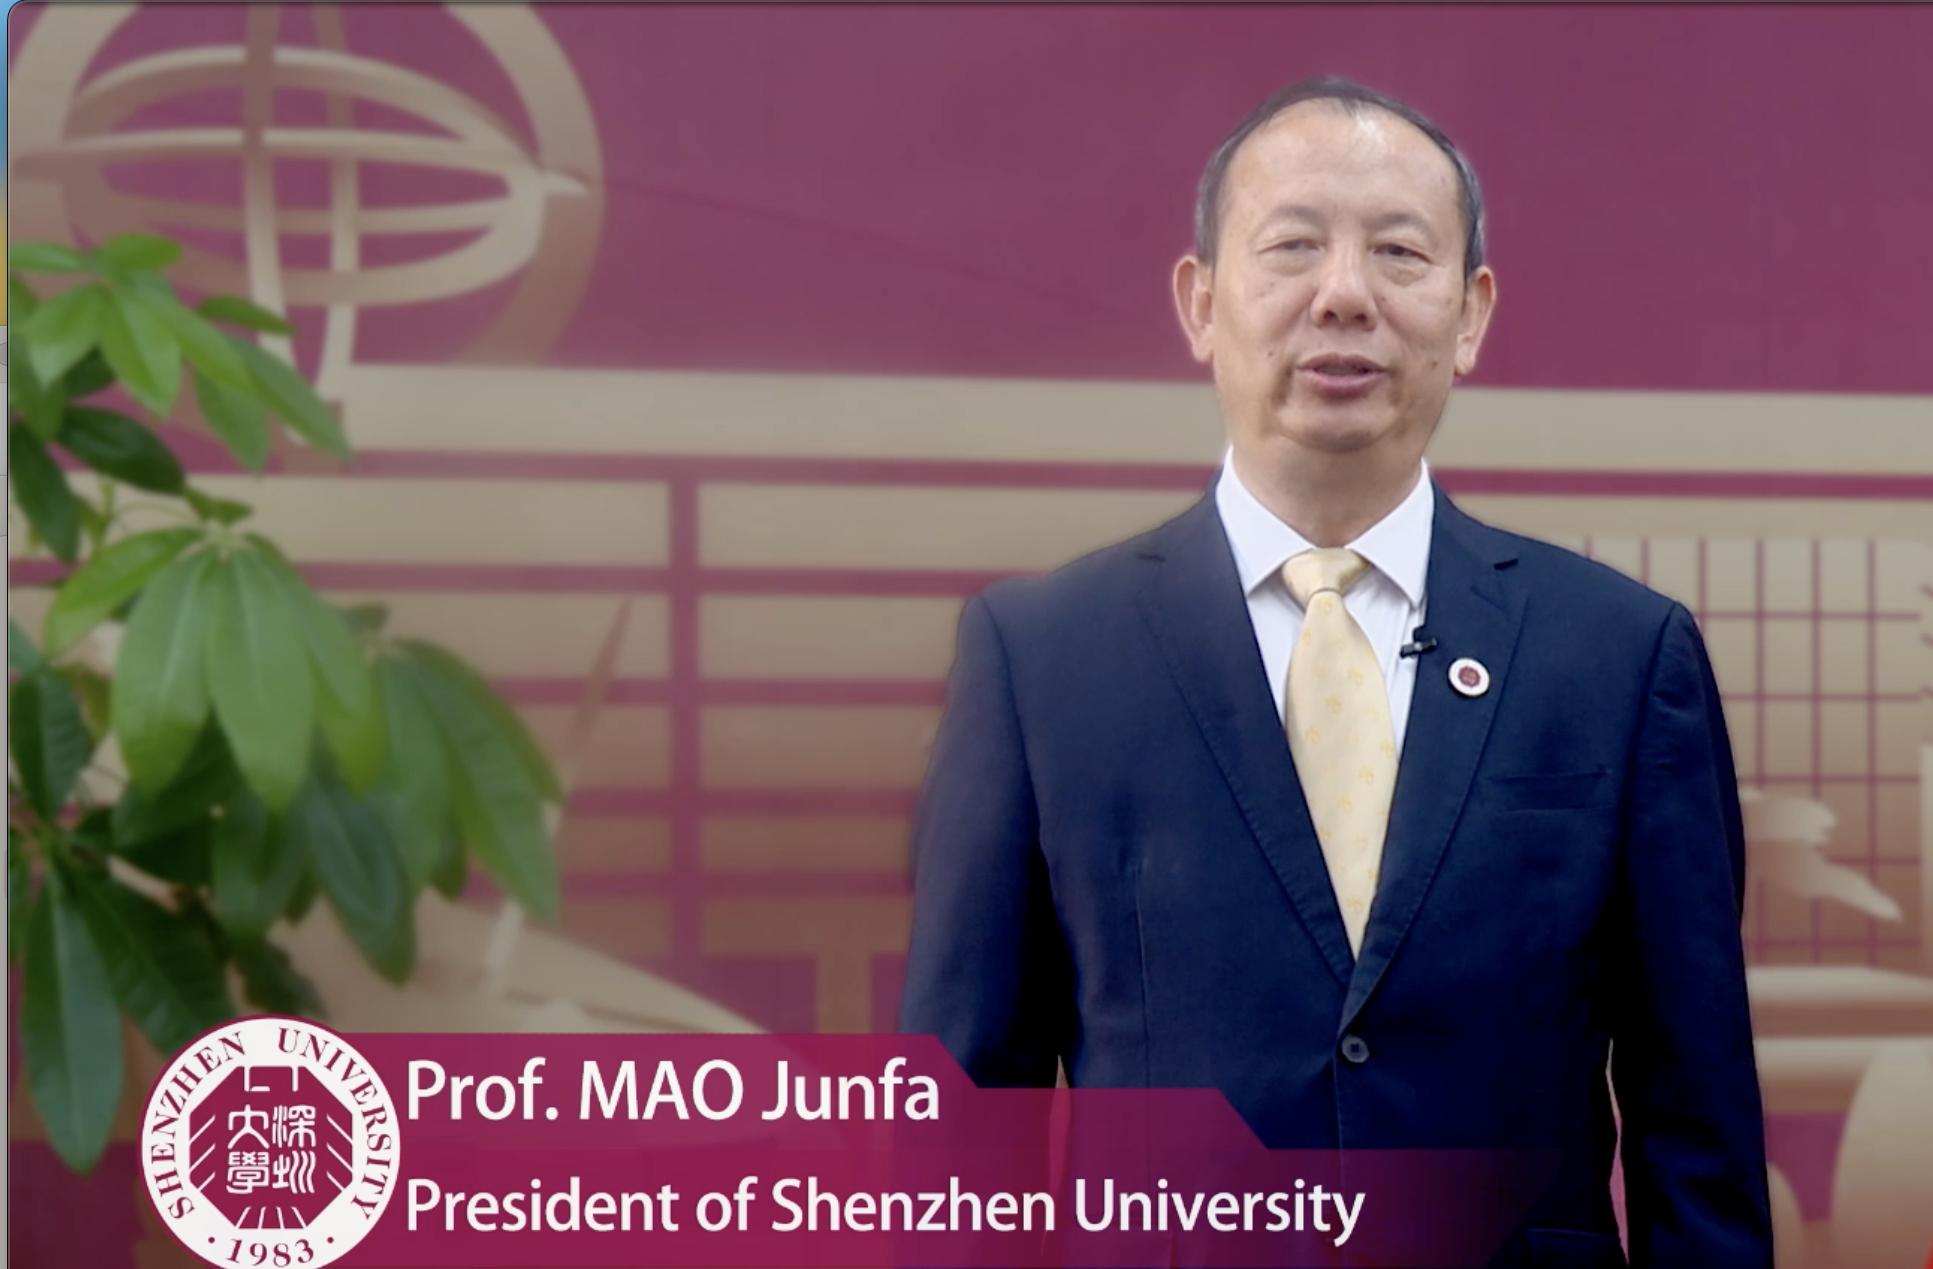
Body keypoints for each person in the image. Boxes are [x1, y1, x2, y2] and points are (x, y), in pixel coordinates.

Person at [899, 77, 1772, 1267]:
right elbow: (963, 1134)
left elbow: (1695, 1127)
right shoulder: (1042, 659)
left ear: (1470, 315)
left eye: (1399, 253)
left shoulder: (1618, 659)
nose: (1344, 295)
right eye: (1293, 246)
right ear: (1200, 303)